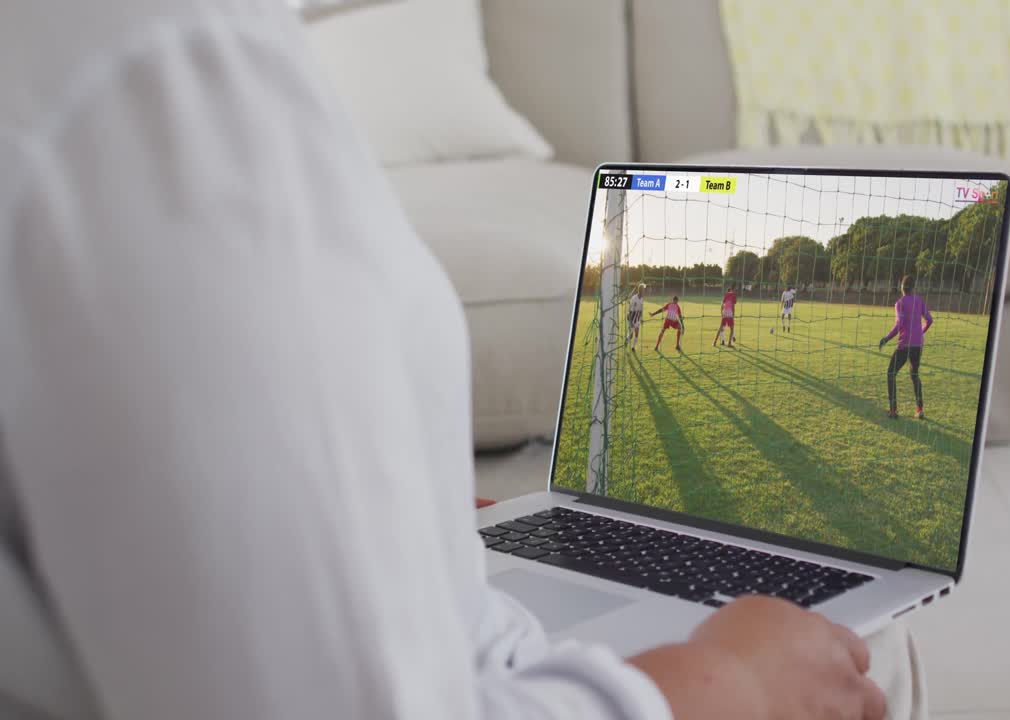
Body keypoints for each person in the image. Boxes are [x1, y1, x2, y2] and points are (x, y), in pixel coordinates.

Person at [0, 2, 914, 719]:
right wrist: (722, 691)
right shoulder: (167, 66)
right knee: (872, 657)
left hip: (461, 630)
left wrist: (421, 520)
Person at [879, 276, 934, 419]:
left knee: (891, 373)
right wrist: (920, 332)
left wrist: (886, 338)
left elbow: (899, 324)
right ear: (913, 288)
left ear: (902, 288)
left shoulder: (900, 303)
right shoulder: (919, 301)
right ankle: (920, 409)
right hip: (917, 345)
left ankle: (893, 410)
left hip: (904, 345)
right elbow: (929, 320)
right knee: (914, 375)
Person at [626, 284, 645, 350]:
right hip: (631, 317)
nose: (644, 291)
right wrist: (631, 322)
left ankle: (633, 347)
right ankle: (627, 340)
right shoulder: (634, 298)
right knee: (631, 335)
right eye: (643, 290)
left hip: (637, 318)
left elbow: (641, 309)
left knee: (637, 333)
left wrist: (641, 319)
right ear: (640, 291)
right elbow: (630, 311)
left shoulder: (642, 298)